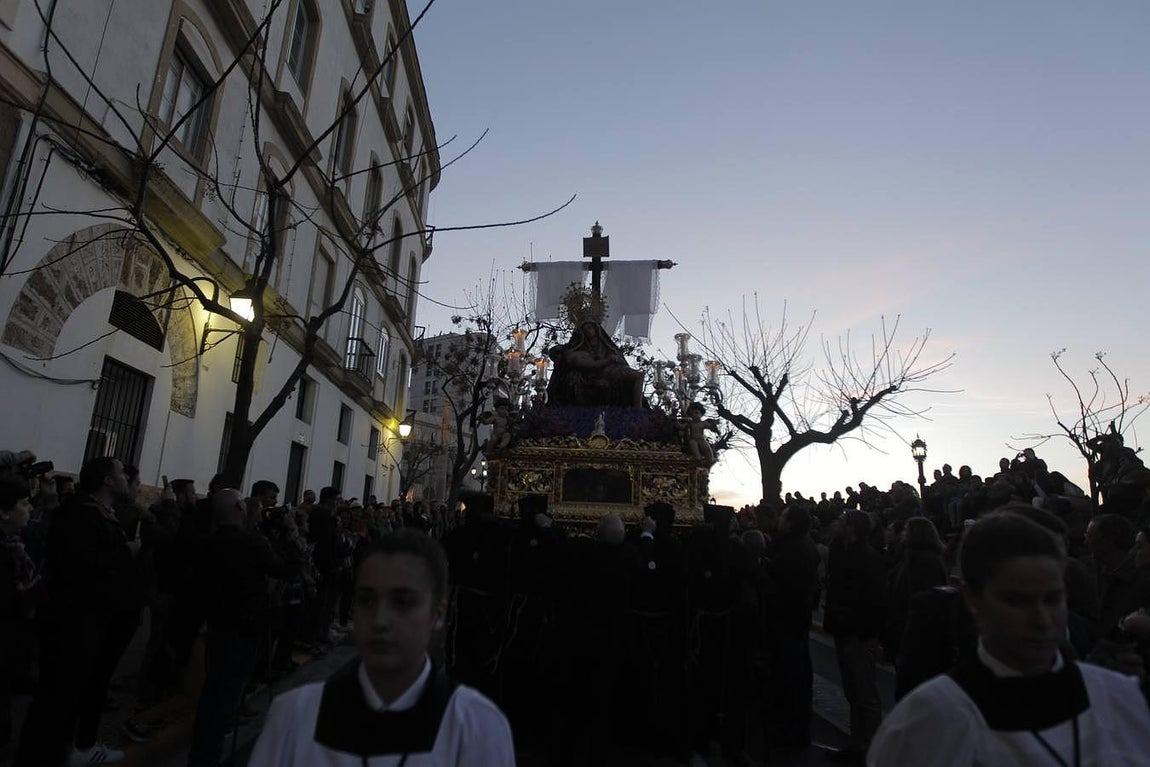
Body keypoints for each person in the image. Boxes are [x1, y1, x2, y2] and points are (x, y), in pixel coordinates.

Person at [868, 512, 1150, 766]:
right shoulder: (925, 723)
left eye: (1053, 599)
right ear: (972, 599)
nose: (1042, 619)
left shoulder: (1120, 696)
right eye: (1017, 602)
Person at [249, 528, 515, 765]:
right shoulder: (294, 716)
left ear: (437, 614)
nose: (380, 621)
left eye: (402, 602)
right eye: (366, 600)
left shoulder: (478, 726)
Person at [15, 457, 138, 767]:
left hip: (85, 623)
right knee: (57, 699)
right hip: (73, 624)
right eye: (121, 472)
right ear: (108, 481)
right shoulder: (83, 515)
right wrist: (125, 552)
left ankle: (57, 752)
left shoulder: (91, 511)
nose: (127, 477)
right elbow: (83, 568)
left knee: (66, 698)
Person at [186, 488, 300, 767]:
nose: (260, 512)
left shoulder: (208, 541)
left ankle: (202, 753)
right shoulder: (251, 542)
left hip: (217, 626)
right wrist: (293, 534)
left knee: (214, 691)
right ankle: (208, 755)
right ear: (239, 508)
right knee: (227, 693)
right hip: (244, 628)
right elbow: (285, 568)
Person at [546, 321, 644, 407]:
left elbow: (618, 358)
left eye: (590, 327)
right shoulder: (578, 348)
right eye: (585, 329)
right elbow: (579, 360)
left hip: (609, 371)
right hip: (588, 374)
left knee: (638, 375)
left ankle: (638, 410)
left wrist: (614, 359)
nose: (588, 331)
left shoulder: (606, 344)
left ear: (596, 328)